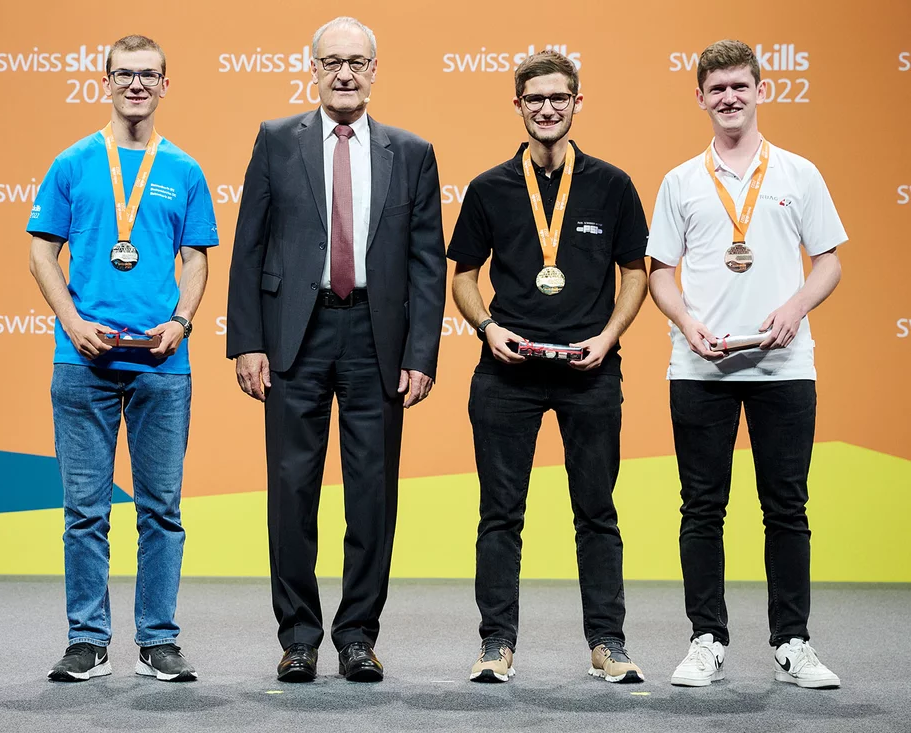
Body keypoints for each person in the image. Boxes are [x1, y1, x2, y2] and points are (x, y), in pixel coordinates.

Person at [226, 16, 445, 683]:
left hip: (376, 338)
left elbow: (426, 261)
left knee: (372, 494)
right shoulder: (274, 140)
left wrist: (421, 352)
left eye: (357, 61)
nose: (345, 72)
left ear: (375, 71)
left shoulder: (411, 151)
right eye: (332, 61)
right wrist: (247, 341)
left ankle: (357, 636)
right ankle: (298, 636)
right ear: (312, 69)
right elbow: (249, 246)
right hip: (296, 337)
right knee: (291, 490)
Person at [646, 39, 845, 689]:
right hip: (700, 367)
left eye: (740, 85)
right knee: (702, 507)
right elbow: (660, 275)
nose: (729, 97)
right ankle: (706, 638)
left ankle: (793, 641)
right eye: (717, 88)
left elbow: (831, 261)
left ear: (762, 90)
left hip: (784, 366)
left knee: (786, 506)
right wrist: (685, 320)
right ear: (699, 96)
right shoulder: (680, 181)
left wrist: (795, 306)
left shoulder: (798, 174)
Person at [447, 50, 649, 684]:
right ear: (518, 106)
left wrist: (609, 336)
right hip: (507, 373)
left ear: (577, 102)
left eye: (559, 97)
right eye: (535, 99)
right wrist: (487, 327)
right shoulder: (488, 188)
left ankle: (608, 644)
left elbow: (637, 273)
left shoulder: (613, 185)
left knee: (597, 512)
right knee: (500, 515)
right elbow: (464, 277)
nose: (547, 108)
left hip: (591, 371)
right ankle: (496, 645)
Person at [27, 34, 218, 683]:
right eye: (124, 73)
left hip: (163, 366)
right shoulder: (73, 163)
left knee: (161, 509)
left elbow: (196, 259)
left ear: (166, 86)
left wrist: (181, 322)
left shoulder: (184, 170)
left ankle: (158, 640)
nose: (136, 84)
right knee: (85, 510)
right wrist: (72, 322)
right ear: (103, 81)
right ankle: (87, 639)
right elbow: (38, 252)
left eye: (148, 75)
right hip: (82, 363)